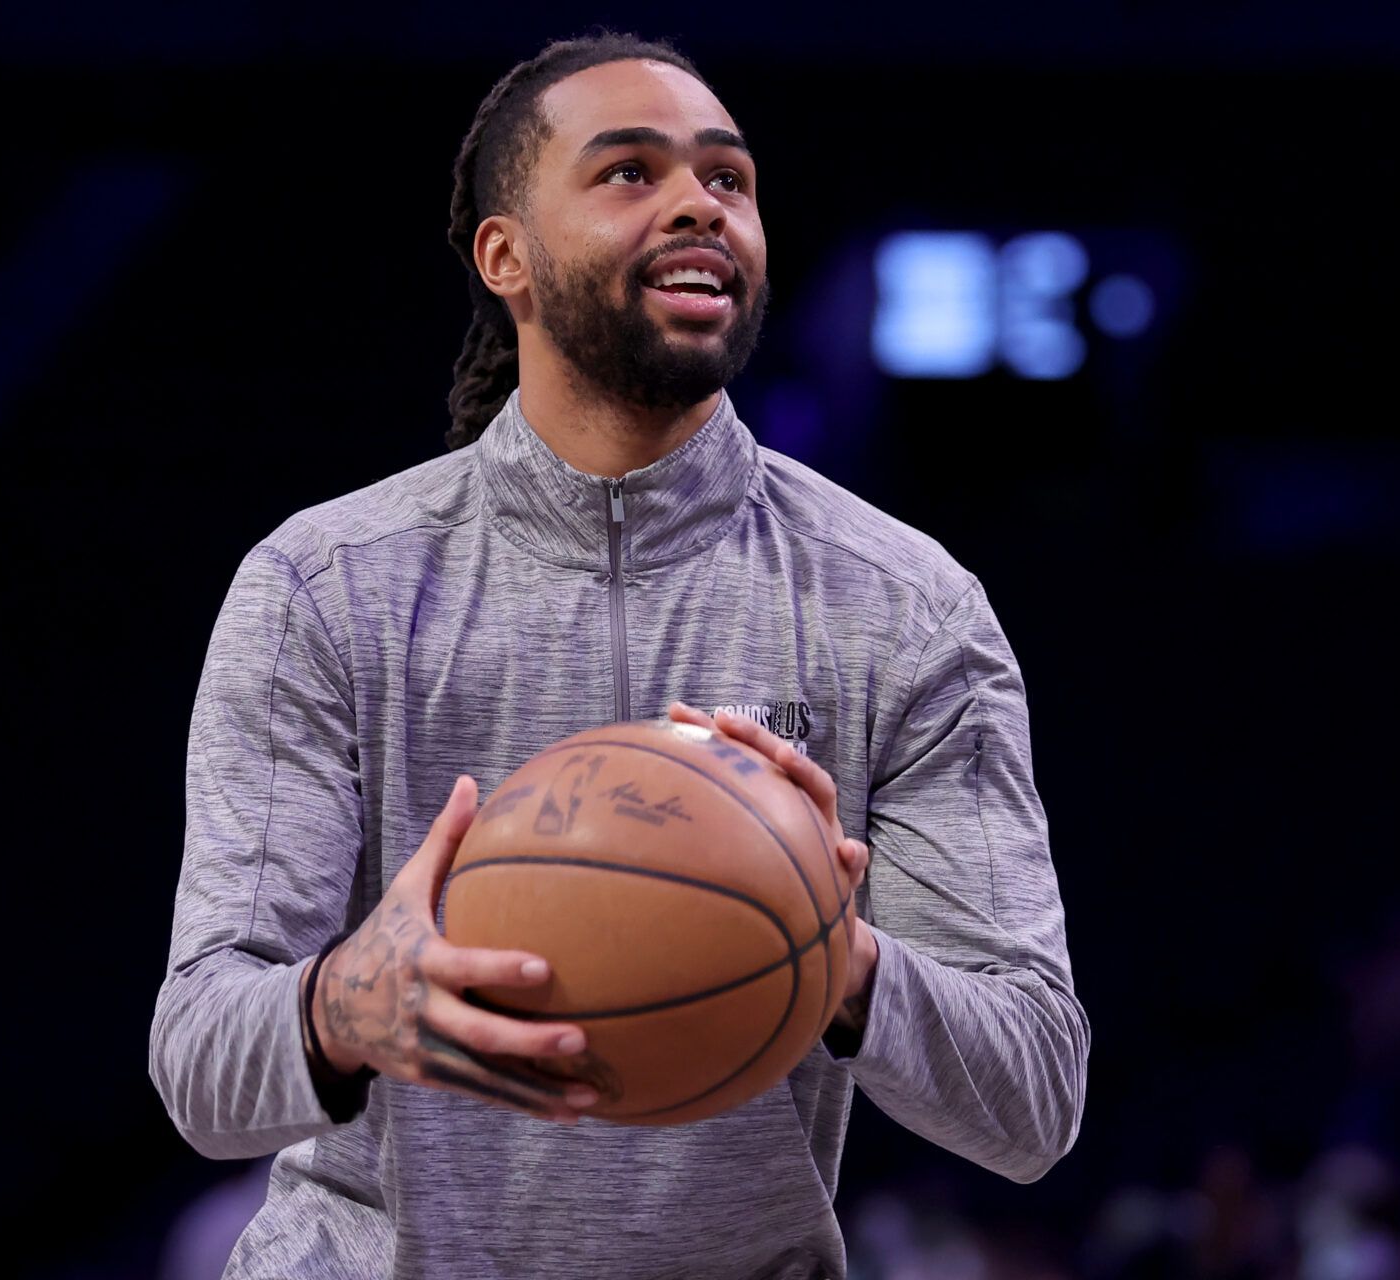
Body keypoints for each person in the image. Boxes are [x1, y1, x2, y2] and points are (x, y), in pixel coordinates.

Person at [149, 32, 1089, 1279]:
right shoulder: (326, 585)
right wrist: (347, 1002)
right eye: (630, 172)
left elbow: (1035, 1097)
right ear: (507, 257)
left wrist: (836, 953)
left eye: (729, 179)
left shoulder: (905, 604)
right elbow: (204, 1067)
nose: (701, 202)